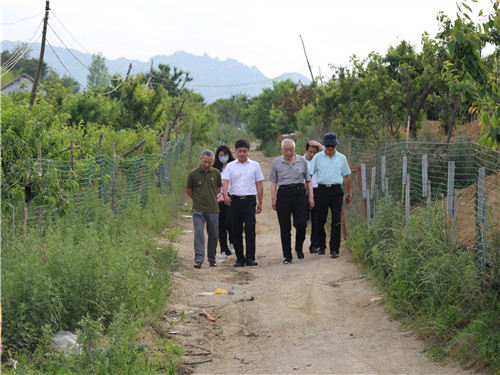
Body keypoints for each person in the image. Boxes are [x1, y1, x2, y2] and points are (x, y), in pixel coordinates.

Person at [270, 139, 314, 264]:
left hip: (299, 192)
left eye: (291, 150)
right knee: (284, 226)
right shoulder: (277, 162)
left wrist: (311, 197)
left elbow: (308, 180)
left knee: (301, 224)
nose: (288, 153)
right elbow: (273, 182)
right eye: (286, 150)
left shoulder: (302, 161)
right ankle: (287, 256)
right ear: (282, 150)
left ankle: (299, 248)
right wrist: (273, 198)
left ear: (294, 149)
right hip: (283, 193)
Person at [309, 133, 352, 258]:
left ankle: (335, 249)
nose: (330, 148)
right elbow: (310, 175)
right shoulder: (317, 157)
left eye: (332, 146)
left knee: (336, 220)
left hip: (336, 191)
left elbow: (347, 176)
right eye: (328, 146)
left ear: (335, 145)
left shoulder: (341, 158)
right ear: (324, 145)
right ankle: (322, 245)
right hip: (321, 191)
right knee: (319, 220)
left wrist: (349, 193)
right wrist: (309, 192)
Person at [222, 139, 264, 267]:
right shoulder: (230, 166)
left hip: (250, 200)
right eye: (239, 151)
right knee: (236, 230)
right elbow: (225, 181)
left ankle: (250, 257)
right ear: (235, 151)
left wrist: (260, 202)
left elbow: (259, 184)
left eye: (244, 151)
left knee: (250, 229)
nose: (242, 154)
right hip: (235, 200)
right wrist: (225, 195)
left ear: (248, 151)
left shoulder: (255, 166)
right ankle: (240, 258)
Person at [186, 150, 222, 268]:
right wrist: (197, 198)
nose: (207, 164)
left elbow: (218, 188)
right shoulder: (193, 174)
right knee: (199, 233)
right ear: (200, 159)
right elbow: (189, 190)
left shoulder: (216, 173)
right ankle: (199, 259)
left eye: (210, 162)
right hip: (198, 208)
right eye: (205, 162)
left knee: (213, 234)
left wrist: (211, 198)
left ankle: (212, 258)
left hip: (213, 208)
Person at [213, 145, 235, 259]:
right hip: (219, 199)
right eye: (221, 155)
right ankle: (223, 249)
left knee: (231, 222)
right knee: (220, 224)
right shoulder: (215, 169)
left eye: (225, 155)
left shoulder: (233, 166)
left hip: (232, 197)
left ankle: (232, 243)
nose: (223, 157)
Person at [303, 140, 324, 254]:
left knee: (317, 220)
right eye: (310, 152)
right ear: (306, 150)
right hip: (303, 191)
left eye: (315, 152)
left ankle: (314, 244)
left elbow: (329, 151)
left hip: (317, 190)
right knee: (303, 220)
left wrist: (319, 144)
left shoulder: (320, 160)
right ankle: (300, 243)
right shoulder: (300, 161)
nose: (312, 155)